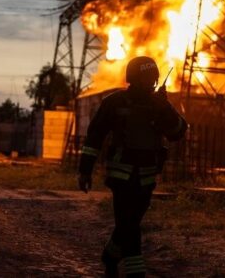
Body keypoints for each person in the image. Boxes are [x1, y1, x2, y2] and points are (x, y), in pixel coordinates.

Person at [78, 56, 187, 277]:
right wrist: (85, 170)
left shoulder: (158, 105)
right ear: (133, 79)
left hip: (146, 179)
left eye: (152, 79)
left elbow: (177, 133)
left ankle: (109, 257)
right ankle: (136, 273)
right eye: (145, 79)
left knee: (129, 224)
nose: (149, 84)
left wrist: (165, 108)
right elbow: (94, 137)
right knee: (129, 225)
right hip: (121, 177)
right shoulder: (114, 102)